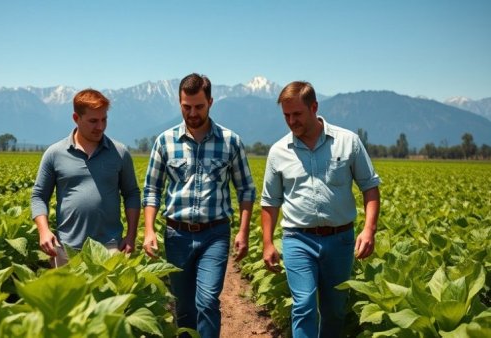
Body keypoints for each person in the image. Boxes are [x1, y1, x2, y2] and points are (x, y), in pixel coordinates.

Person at [261, 81, 380, 338]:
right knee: (303, 305)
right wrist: (268, 242)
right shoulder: (278, 152)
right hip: (297, 238)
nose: (292, 121)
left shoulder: (348, 142)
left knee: (335, 310)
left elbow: (370, 188)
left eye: (297, 114)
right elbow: (270, 201)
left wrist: (369, 229)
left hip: (340, 239)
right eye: (286, 116)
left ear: (314, 107)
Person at [142, 73, 256, 337]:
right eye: (186, 106)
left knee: (207, 301)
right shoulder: (164, 141)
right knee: (183, 308)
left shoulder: (230, 142)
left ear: (211, 102)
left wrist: (243, 231)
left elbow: (246, 189)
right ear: (179, 103)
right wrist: (149, 231)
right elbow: (151, 190)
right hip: (176, 234)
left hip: (214, 234)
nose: (192, 113)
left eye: (199, 107)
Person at [31, 88, 140, 266]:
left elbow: (132, 194)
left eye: (104, 119)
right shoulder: (55, 153)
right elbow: (38, 196)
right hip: (66, 248)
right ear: (76, 118)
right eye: (93, 121)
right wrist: (43, 230)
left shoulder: (119, 153)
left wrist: (131, 235)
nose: (100, 127)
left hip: (110, 249)